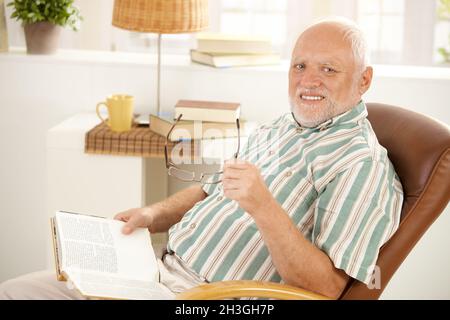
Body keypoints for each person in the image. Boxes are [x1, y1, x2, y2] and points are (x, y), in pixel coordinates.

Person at [0, 17, 403, 300]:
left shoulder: (361, 166)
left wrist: (263, 206)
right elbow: (209, 190)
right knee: (13, 292)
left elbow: (328, 288)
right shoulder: (284, 125)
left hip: (206, 296)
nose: (308, 80)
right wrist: (153, 214)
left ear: (363, 79)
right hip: (155, 271)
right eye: (300, 65)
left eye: (328, 69)